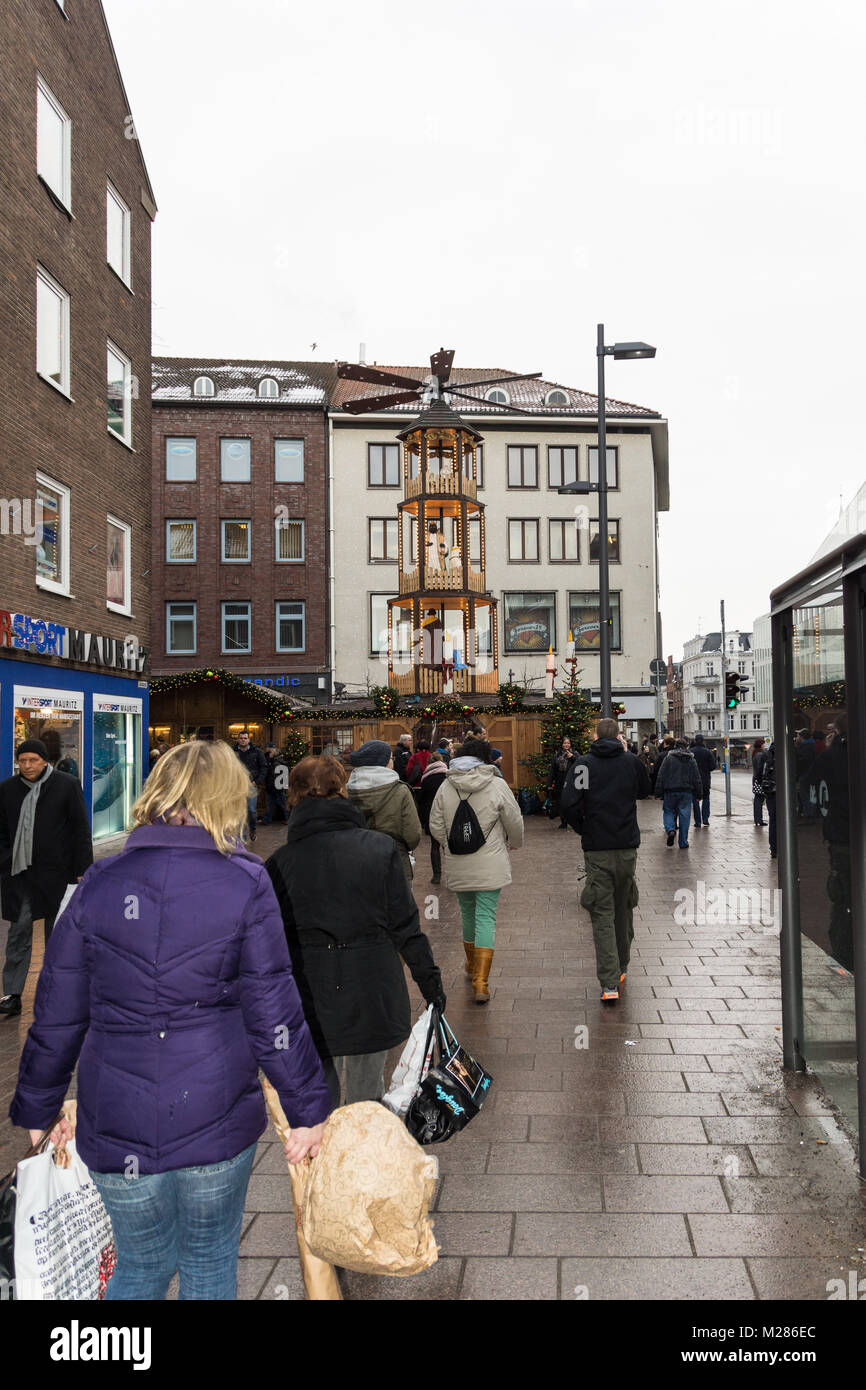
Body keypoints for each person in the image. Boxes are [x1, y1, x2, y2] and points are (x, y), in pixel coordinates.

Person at [9, 740, 331, 1299]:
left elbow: (58, 1008)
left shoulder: (98, 884)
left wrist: (40, 1106)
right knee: (208, 1263)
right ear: (226, 799)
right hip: (215, 1113)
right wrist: (307, 1111)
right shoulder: (246, 883)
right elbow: (272, 1007)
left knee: (139, 1265)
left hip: (117, 1118)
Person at [265, 756, 444, 1107]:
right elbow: (405, 927)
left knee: (318, 1102)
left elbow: (269, 945)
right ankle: (363, 1157)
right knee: (366, 1102)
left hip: (308, 994)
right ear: (342, 789)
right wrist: (430, 982)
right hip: (371, 990)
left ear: (295, 797)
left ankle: (327, 1158)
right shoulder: (380, 850)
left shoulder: (279, 863)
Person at [560, 717, 651, 1004]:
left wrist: (583, 827)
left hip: (597, 846)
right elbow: (645, 790)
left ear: (596, 735)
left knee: (602, 913)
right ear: (620, 736)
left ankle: (609, 982)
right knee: (624, 906)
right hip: (626, 847)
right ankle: (622, 967)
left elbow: (569, 802)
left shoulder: (584, 764)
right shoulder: (630, 762)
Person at [0, 739, 93, 1019]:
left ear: (44, 761)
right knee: (19, 933)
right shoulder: (7, 790)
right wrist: (6, 860)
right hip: (21, 875)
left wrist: (83, 869)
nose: (27, 766)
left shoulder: (66, 785)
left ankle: (58, 991)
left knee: (59, 936)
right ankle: (12, 994)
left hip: (58, 874)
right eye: (22, 760)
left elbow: (80, 828)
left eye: (32, 760)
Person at [429, 737, 524, 1004]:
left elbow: (435, 824)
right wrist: (514, 843)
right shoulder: (496, 784)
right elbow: (514, 820)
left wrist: (450, 844)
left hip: (459, 861)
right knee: (486, 917)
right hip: (490, 860)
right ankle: (481, 982)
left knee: (467, 914)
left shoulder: (446, 785)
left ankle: (472, 967)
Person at [346, 739, 421, 882]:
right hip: (394, 858)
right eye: (391, 758)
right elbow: (412, 834)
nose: (393, 761)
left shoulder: (348, 789)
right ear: (384, 762)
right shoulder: (400, 790)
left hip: (358, 859)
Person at [655, 738, 703, 849]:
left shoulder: (668, 758)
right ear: (687, 747)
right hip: (686, 792)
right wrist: (699, 794)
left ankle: (671, 829)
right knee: (685, 815)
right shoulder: (691, 760)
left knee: (668, 811)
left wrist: (658, 792)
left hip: (670, 791)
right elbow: (697, 778)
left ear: (675, 746)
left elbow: (661, 775)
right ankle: (683, 842)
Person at [417, 751, 448, 883]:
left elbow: (422, 799)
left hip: (432, 813)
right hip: (448, 811)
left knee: (434, 845)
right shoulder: (448, 775)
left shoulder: (426, 778)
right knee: (448, 845)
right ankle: (452, 874)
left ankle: (437, 875)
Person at [234, 731, 268, 841]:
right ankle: (242, 837)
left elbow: (264, 767)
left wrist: (257, 781)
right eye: (241, 738)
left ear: (249, 740)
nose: (243, 740)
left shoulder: (257, 752)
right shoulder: (232, 752)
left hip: (251, 785)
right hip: (237, 786)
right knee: (240, 811)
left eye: (245, 738)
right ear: (238, 740)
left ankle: (253, 829)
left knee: (252, 810)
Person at [547, 736, 575, 829]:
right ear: (562, 745)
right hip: (560, 782)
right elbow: (552, 771)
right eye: (565, 743)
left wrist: (572, 757)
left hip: (571, 782)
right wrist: (549, 784)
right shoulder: (557, 756)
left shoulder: (574, 754)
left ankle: (571, 819)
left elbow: (580, 764)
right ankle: (564, 821)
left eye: (568, 743)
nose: (566, 745)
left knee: (570, 803)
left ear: (570, 744)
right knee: (561, 802)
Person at [756, 740, 777, 859]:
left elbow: (758, 774)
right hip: (785, 792)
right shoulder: (789, 751)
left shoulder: (766, 754)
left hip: (771, 792)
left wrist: (764, 786)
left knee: (773, 819)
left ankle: (774, 848)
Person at [690, 734, 715, 830]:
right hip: (705, 780)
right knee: (706, 798)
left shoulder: (691, 752)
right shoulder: (707, 752)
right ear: (703, 741)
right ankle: (705, 818)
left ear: (695, 741)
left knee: (695, 800)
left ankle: (697, 821)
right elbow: (713, 766)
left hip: (693, 780)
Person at [261, 744, 289, 824]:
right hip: (271, 785)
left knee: (282, 803)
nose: (267, 749)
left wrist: (283, 785)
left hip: (278, 785)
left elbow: (280, 773)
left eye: (269, 748)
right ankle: (267, 819)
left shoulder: (278, 760)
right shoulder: (267, 759)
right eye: (267, 748)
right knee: (270, 803)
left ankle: (288, 818)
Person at [751, 737, 767, 826]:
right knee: (759, 800)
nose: (764, 745)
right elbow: (760, 768)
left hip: (756, 779)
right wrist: (761, 779)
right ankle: (759, 819)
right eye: (763, 744)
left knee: (758, 800)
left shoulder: (755, 753)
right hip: (759, 779)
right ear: (760, 745)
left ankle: (757, 819)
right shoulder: (760, 755)